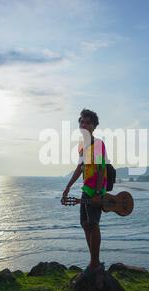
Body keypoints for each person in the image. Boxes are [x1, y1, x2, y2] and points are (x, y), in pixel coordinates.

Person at [62, 108, 108, 274]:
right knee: (84, 224)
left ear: (94, 126)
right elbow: (80, 169)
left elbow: (102, 170)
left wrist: (97, 193)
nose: (84, 124)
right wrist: (68, 186)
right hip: (85, 189)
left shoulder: (97, 144)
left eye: (88, 122)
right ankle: (94, 261)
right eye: (82, 121)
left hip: (95, 191)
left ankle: (94, 263)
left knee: (93, 224)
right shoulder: (82, 147)